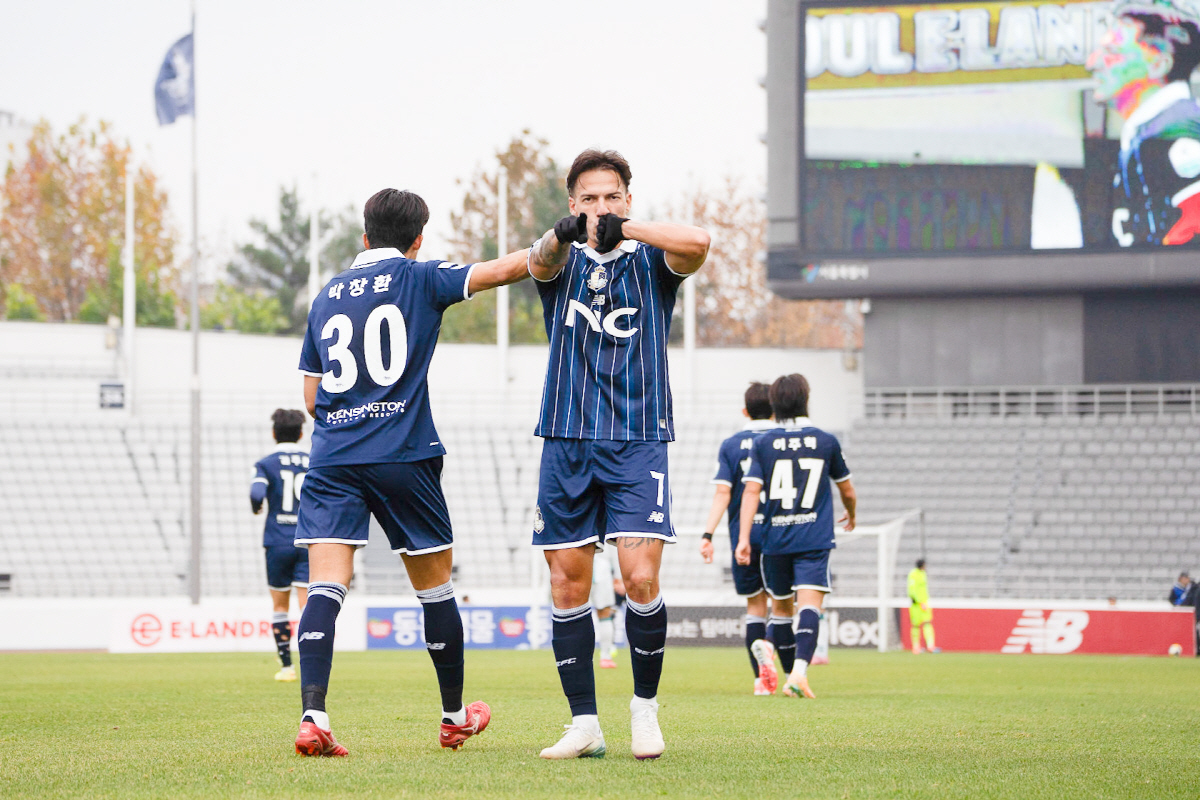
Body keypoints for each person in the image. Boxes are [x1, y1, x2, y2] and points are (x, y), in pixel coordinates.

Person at [291, 188, 532, 757]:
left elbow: (310, 394)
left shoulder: (326, 296)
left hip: (332, 457)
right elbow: (503, 269)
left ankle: (314, 717)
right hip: (403, 454)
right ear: (419, 238)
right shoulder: (422, 278)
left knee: (325, 586)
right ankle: (453, 717)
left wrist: (351, 415)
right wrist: (557, 242)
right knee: (435, 590)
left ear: (364, 233)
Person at [527, 148, 710, 760]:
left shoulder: (652, 259)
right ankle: (584, 724)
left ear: (628, 199)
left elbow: (700, 242)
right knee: (566, 584)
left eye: (612, 197)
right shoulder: (561, 261)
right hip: (567, 437)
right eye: (588, 199)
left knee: (640, 577)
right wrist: (563, 234)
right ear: (572, 204)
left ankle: (644, 709)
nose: (600, 208)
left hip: (637, 438)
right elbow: (538, 260)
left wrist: (625, 231)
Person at [735, 374, 856, 700]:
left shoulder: (763, 443)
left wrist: (744, 537)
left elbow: (750, 492)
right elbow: (846, 488)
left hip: (774, 538)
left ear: (774, 404)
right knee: (809, 607)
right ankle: (798, 674)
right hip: (813, 537)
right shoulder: (825, 441)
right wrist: (852, 513)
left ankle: (769, 643)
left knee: (782, 610)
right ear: (807, 398)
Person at [1086, 0, 1200, 246]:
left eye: (1112, 53)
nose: (1092, 63)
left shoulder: (1175, 129)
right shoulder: (1156, 129)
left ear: (1159, 64)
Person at [699, 381, 781, 695]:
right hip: (780, 532)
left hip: (743, 535)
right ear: (774, 410)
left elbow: (723, 494)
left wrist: (708, 534)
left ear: (745, 411)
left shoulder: (731, 445)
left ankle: (761, 681)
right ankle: (771, 650)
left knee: (754, 606)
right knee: (784, 604)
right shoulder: (781, 441)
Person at [250, 408, 310, 682]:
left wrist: (256, 507)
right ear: (300, 433)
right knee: (308, 605)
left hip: (277, 540)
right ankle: (312, 662)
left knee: (280, 606)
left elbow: (256, 493)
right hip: (308, 538)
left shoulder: (265, 463)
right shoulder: (313, 460)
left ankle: (287, 667)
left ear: (274, 433)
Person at [592, 545, 624, 669]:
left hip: (578, 565)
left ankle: (574, 657)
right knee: (605, 613)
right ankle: (605, 657)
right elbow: (614, 549)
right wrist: (618, 577)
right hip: (602, 570)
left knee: (575, 612)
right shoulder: (606, 525)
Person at [907, 558, 940, 654]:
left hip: (924, 603)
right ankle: (916, 647)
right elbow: (911, 590)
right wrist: (918, 601)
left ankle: (930, 646)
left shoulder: (923, 574)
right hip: (916, 605)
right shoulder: (913, 574)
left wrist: (924, 602)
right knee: (916, 626)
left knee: (927, 623)